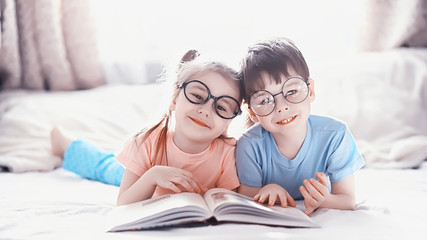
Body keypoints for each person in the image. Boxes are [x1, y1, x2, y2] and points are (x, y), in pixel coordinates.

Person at [51, 50, 243, 206]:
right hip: (142, 174)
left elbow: (226, 202)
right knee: (107, 167)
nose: (206, 111)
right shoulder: (145, 142)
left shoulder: (228, 153)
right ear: (175, 99)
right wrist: (152, 176)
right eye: (198, 97)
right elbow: (123, 204)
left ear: (229, 121)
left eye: (221, 107)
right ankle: (67, 145)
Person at [235, 37, 365, 215]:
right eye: (265, 100)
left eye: (292, 91)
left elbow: (347, 200)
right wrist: (266, 191)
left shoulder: (335, 135)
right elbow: (246, 198)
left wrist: (325, 200)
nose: (282, 107)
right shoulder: (249, 145)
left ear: (310, 90)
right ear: (252, 112)